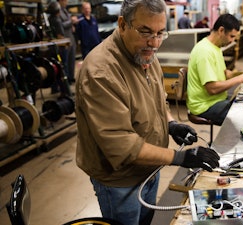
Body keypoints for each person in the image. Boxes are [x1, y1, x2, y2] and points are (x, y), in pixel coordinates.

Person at [74, 0, 220, 225]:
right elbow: (122, 146)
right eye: (145, 32)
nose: (154, 42)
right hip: (120, 182)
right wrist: (180, 157)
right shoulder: (101, 72)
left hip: (149, 169)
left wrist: (171, 124)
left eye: (161, 33)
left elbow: (158, 101)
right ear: (122, 24)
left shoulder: (146, 54)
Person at [186, 13, 243, 126]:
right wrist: (240, 79)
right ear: (221, 30)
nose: (233, 41)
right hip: (204, 106)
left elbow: (226, 74)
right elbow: (212, 89)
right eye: (231, 36)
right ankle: (228, 143)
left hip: (216, 99)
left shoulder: (215, 47)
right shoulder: (204, 51)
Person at [57, 0, 78, 83]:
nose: (66, 2)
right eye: (65, 1)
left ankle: (71, 77)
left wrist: (72, 24)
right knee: (65, 62)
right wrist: (71, 22)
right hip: (64, 39)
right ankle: (66, 81)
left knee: (72, 59)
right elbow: (60, 25)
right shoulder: (57, 12)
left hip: (71, 38)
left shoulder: (65, 10)